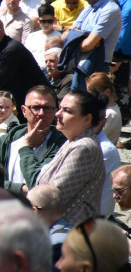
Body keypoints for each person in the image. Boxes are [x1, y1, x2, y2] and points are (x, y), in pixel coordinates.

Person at [36, 90, 106, 226]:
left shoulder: (84, 147)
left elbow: (53, 196)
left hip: (71, 234)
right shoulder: (72, 141)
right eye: (60, 108)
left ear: (87, 119)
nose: (57, 114)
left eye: (66, 110)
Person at [70, 0, 122, 89]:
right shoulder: (88, 8)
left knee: (90, 103)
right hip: (80, 64)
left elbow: (89, 44)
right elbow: (68, 34)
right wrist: (81, 41)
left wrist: (74, 42)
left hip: (96, 67)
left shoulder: (110, 10)